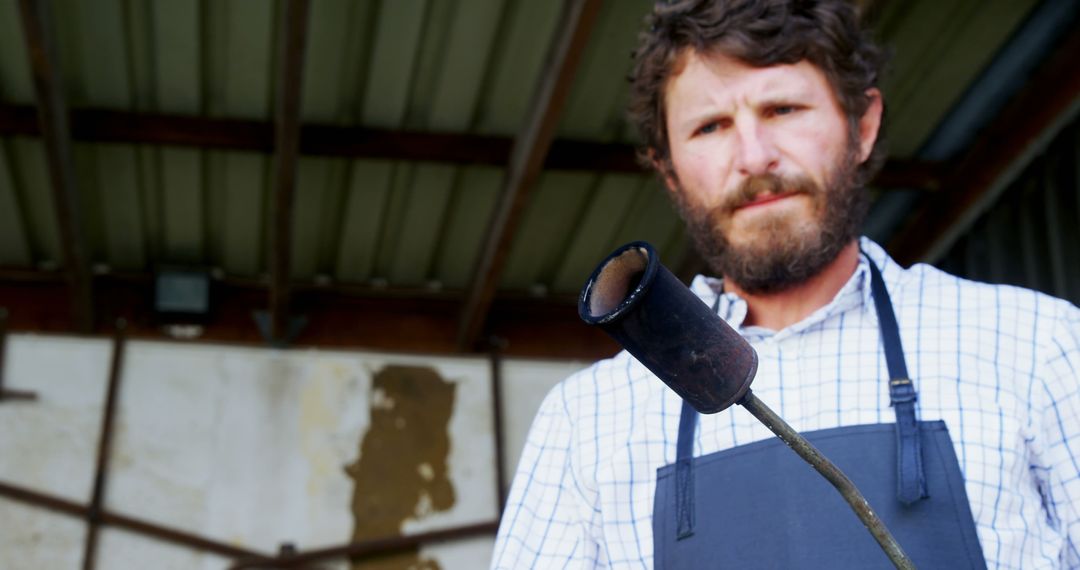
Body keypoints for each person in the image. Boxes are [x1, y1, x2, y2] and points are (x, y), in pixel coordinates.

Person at [491, 0, 1080, 568]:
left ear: (864, 125)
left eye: (783, 110)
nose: (754, 156)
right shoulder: (588, 418)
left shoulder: (1037, 348)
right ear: (669, 172)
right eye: (710, 126)